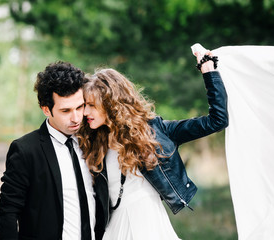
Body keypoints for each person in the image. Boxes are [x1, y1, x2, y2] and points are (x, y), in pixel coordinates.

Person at [77, 50, 228, 239]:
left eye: (91, 105)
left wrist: (208, 72)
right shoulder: (93, 141)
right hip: (115, 226)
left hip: (147, 223)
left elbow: (217, 121)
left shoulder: (155, 132)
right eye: (85, 105)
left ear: (110, 103)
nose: (85, 112)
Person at [0, 61, 107, 240]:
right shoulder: (25, 150)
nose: (76, 117)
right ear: (46, 110)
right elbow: (8, 212)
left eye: (80, 107)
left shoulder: (96, 141)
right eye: (66, 110)